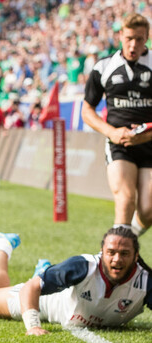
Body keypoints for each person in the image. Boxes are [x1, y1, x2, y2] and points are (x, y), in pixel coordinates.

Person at [0, 227, 152, 335]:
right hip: (49, 304)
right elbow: (31, 287)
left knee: (41, 281)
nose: (117, 259)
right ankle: (2, 245)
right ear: (102, 252)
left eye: (124, 254)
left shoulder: (146, 282)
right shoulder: (83, 266)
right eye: (111, 252)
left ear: (136, 256)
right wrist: (33, 326)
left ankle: (44, 273)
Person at [82, 13, 152, 237]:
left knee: (148, 210)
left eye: (139, 39)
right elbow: (87, 110)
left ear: (147, 38)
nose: (133, 45)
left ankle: (125, 242)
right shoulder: (104, 67)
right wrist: (111, 132)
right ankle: (118, 253)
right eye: (129, 38)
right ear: (120, 35)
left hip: (150, 144)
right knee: (125, 199)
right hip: (119, 146)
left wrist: (147, 134)